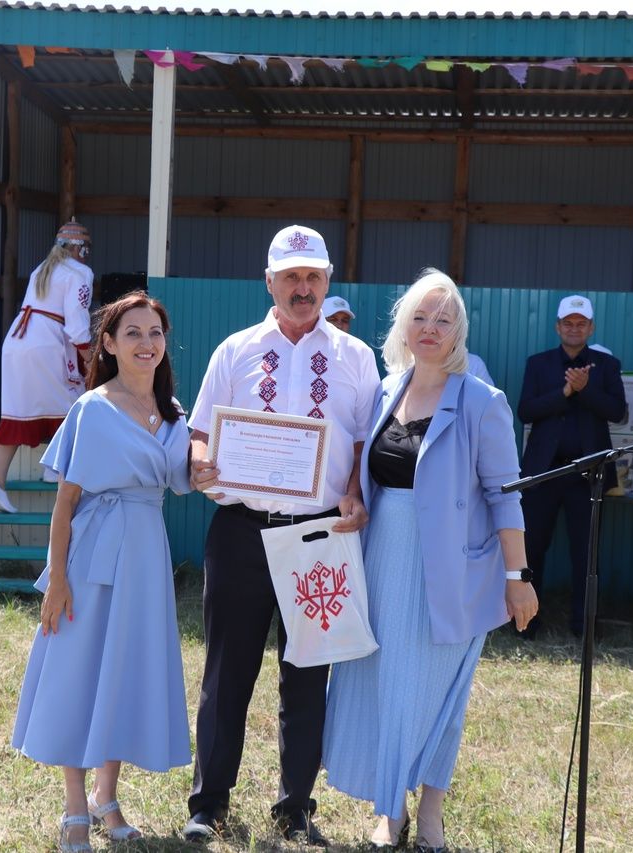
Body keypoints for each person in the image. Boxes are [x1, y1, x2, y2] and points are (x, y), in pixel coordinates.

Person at [323, 269, 537, 852]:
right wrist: (351, 492)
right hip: (382, 560)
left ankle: (432, 811)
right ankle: (388, 811)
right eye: (420, 316)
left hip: (453, 572)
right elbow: (365, 464)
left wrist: (518, 578)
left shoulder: (482, 401)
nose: (430, 328)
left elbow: (505, 493)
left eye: (443, 319)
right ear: (403, 325)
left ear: (458, 331)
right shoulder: (384, 389)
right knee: (387, 685)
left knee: (440, 693)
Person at [184, 225, 381, 847]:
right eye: (291, 277)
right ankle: (208, 802)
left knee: (307, 678)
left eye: (313, 277)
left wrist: (354, 491)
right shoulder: (235, 349)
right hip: (241, 532)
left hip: (318, 536)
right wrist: (199, 462)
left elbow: (362, 446)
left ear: (328, 282)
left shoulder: (355, 357)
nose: (303, 288)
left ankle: (295, 807)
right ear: (269, 282)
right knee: (227, 674)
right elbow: (199, 430)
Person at [10, 292, 192, 852]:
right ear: (109, 345)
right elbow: (65, 502)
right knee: (82, 670)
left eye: (155, 332)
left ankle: (106, 798)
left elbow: (192, 478)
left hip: (145, 557)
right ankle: (74, 808)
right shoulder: (92, 407)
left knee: (124, 671)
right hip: (92, 556)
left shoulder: (176, 413)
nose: (146, 343)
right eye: (132, 333)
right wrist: (56, 577)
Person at [517, 294, 625, 637]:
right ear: (557, 326)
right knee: (532, 549)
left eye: (581, 324)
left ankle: (584, 625)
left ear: (591, 327)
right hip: (543, 473)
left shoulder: (606, 366)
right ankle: (527, 622)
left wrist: (585, 389)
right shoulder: (539, 363)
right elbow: (526, 411)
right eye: (568, 323)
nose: (574, 329)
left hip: (588, 475)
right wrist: (565, 392)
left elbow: (617, 411)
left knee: (586, 553)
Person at [0, 219, 93, 513]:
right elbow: (76, 322)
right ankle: (55, 470)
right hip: (47, 343)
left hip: (17, 341)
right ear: (79, 248)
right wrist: (89, 356)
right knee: (73, 402)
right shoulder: (80, 273)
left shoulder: (40, 269)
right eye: (87, 248)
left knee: (20, 409)